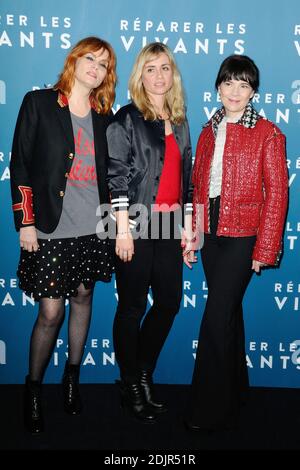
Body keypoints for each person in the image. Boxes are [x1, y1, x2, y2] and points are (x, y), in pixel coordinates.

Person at [10, 36, 117, 433]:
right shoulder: (37, 103)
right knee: (51, 311)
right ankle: (33, 388)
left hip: (93, 227)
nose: (95, 67)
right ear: (74, 60)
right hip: (51, 227)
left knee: (84, 296)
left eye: (103, 64)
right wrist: (26, 220)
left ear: (108, 75)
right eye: (90, 58)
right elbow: (20, 164)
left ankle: (72, 378)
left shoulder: (105, 116)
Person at [185, 54, 288, 432]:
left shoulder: (269, 133)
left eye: (243, 85)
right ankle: (236, 393)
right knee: (228, 316)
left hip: (244, 237)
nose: (235, 91)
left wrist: (264, 249)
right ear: (218, 87)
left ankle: (208, 408)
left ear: (253, 92)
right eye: (229, 83)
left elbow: (277, 195)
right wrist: (193, 239)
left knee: (215, 317)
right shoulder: (207, 130)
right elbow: (197, 188)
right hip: (211, 234)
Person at [106, 42, 194, 423]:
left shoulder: (181, 118)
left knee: (170, 301)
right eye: (150, 69)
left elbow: (188, 182)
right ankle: (130, 382)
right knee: (131, 307)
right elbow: (117, 177)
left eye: (165, 68)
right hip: (134, 225)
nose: (159, 76)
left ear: (172, 74)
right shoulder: (126, 118)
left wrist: (191, 230)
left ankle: (141, 373)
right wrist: (121, 231)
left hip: (170, 226)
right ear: (139, 77)